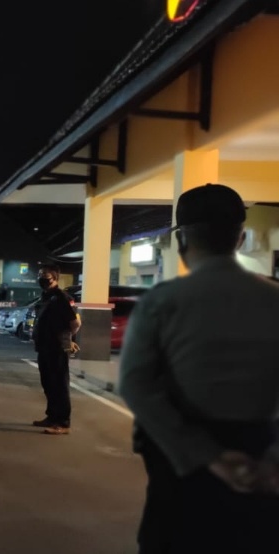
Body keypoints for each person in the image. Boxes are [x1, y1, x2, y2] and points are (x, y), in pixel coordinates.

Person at [118, 184, 279, 553]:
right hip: (261, 465)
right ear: (240, 238)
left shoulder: (161, 302)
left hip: (181, 475)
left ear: (181, 239)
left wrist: (208, 456)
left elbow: (135, 384)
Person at [30, 263, 80, 436]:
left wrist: (67, 339)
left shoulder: (61, 297)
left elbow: (75, 323)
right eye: (40, 274)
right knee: (48, 384)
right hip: (44, 347)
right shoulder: (46, 296)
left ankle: (63, 423)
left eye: (46, 275)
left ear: (55, 278)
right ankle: (52, 416)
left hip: (57, 348)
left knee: (59, 385)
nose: (42, 278)